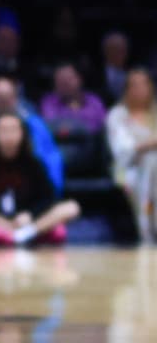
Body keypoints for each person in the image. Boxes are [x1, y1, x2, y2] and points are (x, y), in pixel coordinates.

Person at [0, 112, 79, 247]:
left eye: (14, 130)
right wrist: (5, 220)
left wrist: (29, 215)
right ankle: (13, 234)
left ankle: (26, 234)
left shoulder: (34, 163)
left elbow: (48, 198)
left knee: (72, 207)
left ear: (22, 134)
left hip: (29, 222)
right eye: (4, 130)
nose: (9, 135)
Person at [105, 67, 157, 243]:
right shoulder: (117, 115)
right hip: (129, 171)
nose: (139, 89)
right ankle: (147, 232)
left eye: (144, 84)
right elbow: (122, 150)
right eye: (134, 85)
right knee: (151, 161)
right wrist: (149, 145)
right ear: (126, 89)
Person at [40, 64, 107, 133]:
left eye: (69, 79)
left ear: (80, 79)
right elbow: (52, 125)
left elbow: (103, 125)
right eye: (61, 81)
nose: (66, 83)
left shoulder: (93, 100)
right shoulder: (49, 102)